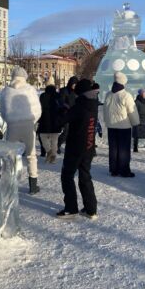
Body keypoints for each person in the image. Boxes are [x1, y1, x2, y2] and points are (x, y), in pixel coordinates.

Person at [57, 80, 99, 219]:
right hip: (89, 146)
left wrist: (62, 109)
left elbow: (62, 120)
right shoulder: (93, 104)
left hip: (76, 147)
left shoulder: (79, 106)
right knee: (85, 176)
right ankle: (90, 209)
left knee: (67, 176)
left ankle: (71, 208)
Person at [0, 67, 42, 194]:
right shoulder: (30, 90)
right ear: (25, 76)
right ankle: (33, 186)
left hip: (12, 126)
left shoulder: (6, 91)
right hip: (28, 125)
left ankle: (10, 184)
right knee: (31, 156)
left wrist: (10, 121)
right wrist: (31, 122)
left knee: (10, 156)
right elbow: (37, 110)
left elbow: (3, 111)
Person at [103, 71, 140, 177]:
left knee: (113, 148)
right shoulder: (126, 95)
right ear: (123, 82)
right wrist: (135, 123)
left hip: (111, 126)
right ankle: (124, 170)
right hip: (124, 126)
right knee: (124, 149)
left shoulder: (108, 95)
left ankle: (114, 169)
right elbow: (132, 111)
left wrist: (107, 121)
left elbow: (105, 110)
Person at [38, 76, 63, 163]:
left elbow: (38, 108)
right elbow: (61, 108)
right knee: (54, 140)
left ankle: (49, 151)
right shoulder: (58, 96)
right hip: (55, 120)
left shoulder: (42, 96)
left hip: (44, 119)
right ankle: (53, 156)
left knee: (43, 137)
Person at [57, 76, 79, 154]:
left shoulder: (77, 92)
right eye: (73, 84)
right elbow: (61, 101)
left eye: (76, 84)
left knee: (73, 133)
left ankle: (70, 147)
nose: (74, 86)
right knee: (66, 133)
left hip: (74, 114)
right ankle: (57, 145)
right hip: (66, 114)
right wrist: (67, 106)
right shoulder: (64, 90)